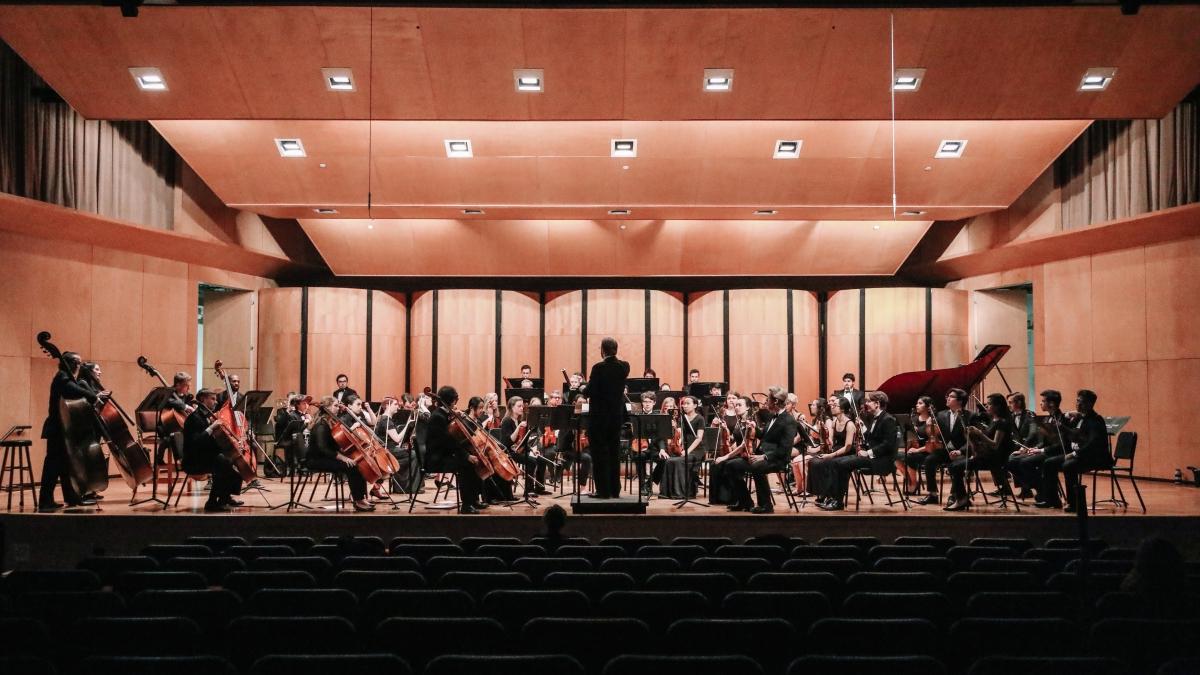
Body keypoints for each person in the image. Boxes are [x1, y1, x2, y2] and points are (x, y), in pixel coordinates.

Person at [38, 351, 101, 511]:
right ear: (72, 364)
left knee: (65, 466)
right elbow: (72, 389)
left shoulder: (65, 377)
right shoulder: (62, 378)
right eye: (78, 363)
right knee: (52, 466)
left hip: (63, 428)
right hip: (57, 428)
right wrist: (92, 395)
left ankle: (71, 498)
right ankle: (45, 502)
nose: (80, 366)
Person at [815, 391, 898, 511]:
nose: (866, 404)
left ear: (877, 404)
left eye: (869, 401)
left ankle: (838, 502)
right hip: (872, 457)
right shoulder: (874, 418)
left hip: (881, 460)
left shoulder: (888, 419)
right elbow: (871, 438)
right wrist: (863, 429)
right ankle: (832, 498)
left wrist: (868, 452)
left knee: (841, 464)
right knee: (835, 462)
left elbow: (888, 445)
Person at [1037, 389, 1112, 513]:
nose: (1078, 404)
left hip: (1094, 457)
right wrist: (1062, 427)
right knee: (1049, 463)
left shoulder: (1096, 420)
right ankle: (1052, 500)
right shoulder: (1078, 418)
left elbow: (1093, 444)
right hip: (1079, 455)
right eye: (1077, 401)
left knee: (1069, 465)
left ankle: (1073, 503)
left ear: (1090, 404)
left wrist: (1074, 454)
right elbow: (1074, 435)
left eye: (1081, 402)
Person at [724, 387, 797, 514]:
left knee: (757, 467)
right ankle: (745, 502)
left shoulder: (788, 420)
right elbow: (764, 435)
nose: (765, 402)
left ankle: (766, 505)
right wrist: (755, 428)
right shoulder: (772, 417)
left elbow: (785, 448)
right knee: (731, 465)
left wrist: (764, 457)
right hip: (763, 456)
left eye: (768, 399)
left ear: (775, 402)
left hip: (777, 459)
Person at [945, 393, 1014, 512]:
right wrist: (970, 437)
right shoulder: (993, 421)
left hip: (995, 459)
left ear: (997, 406)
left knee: (955, 467)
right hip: (986, 456)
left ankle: (961, 499)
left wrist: (979, 433)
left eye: (989, 404)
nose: (986, 406)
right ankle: (960, 497)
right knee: (954, 465)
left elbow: (995, 444)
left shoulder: (1001, 422)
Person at [425, 385, 486, 514]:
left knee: (475, 460)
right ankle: (466, 505)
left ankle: (474, 500)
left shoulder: (443, 414)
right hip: (436, 458)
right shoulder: (438, 417)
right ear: (452, 401)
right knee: (467, 464)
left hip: (444, 454)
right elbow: (449, 442)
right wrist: (466, 456)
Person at [581, 337, 630, 499]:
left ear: (603, 350)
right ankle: (615, 490)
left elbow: (590, 391)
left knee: (600, 455)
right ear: (615, 349)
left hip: (599, 419)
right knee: (614, 454)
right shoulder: (624, 367)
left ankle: (603, 491)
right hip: (616, 419)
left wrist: (582, 388)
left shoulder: (598, 368)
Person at [308, 396, 375, 512]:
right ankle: (358, 500)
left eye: (338, 405)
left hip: (328, 457)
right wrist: (343, 458)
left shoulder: (330, 422)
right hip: (316, 459)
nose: (338, 408)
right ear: (327, 407)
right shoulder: (321, 426)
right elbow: (323, 448)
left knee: (357, 463)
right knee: (352, 466)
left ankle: (361, 498)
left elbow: (334, 444)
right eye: (335, 406)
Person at [183, 389, 245, 512]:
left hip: (205, 455)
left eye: (215, 399)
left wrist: (232, 442)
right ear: (202, 399)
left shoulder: (207, 416)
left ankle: (225, 497)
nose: (216, 402)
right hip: (193, 459)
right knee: (223, 462)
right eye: (212, 399)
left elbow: (212, 442)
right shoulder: (194, 418)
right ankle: (211, 502)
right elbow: (197, 442)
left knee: (231, 458)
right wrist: (212, 427)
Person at [1006, 390, 1065, 500]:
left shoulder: (1061, 419)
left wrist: (1037, 449)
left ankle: (1041, 489)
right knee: (1012, 460)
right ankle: (1038, 487)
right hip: (1042, 449)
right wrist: (1036, 448)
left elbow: (1058, 443)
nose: (1040, 403)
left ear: (1051, 403)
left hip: (1053, 452)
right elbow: (1045, 441)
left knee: (1024, 462)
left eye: (1043, 401)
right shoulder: (1048, 418)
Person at [916, 388, 970, 506]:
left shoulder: (969, 416)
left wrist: (960, 451)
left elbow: (971, 441)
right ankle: (932, 494)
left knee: (955, 465)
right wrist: (927, 424)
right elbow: (921, 432)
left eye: (951, 396)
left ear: (960, 401)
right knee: (929, 460)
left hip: (961, 452)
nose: (947, 398)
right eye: (947, 396)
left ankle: (954, 495)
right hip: (945, 450)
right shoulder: (940, 415)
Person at [807, 397, 860, 509]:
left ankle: (832, 496)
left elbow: (848, 446)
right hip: (836, 450)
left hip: (846, 453)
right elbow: (830, 441)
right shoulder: (835, 422)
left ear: (842, 409)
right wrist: (823, 435)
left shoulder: (850, 424)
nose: (832, 406)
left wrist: (831, 455)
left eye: (835, 405)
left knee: (829, 463)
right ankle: (823, 493)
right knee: (814, 462)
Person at [656, 395, 705, 499]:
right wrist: (674, 428)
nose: (685, 406)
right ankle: (668, 493)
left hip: (696, 450)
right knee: (669, 461)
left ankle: (682, 492)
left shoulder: (700, 418)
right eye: (683, 404)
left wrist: (687, 451)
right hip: (684, 448)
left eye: (688, 404)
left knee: (677, 461)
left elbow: (699, 438)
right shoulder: (682, 418)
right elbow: (679, 434)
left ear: (695, 405)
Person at [898, 395, 937, 493]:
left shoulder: (932, 421)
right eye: (917, 403)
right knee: (896, 456)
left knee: (910, 457)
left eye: (920, 403)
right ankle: (911, 480)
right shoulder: (914, 419)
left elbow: (933, 443)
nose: (917, 405)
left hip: (927, 450)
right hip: (915, 448)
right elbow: (911, 438)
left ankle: (914, 484)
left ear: (928, 407)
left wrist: (916, 450)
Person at [274, 394, 312, 475]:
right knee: (298, 441)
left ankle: (307, 465)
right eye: (303, 403)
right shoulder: (292, 415)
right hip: (291, 439)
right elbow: (293, 431)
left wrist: (310, 421)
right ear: (297, 405)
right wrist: (305, 422)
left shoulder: (307, 415)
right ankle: (297, 466)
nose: (306, 405)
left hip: (303, 439)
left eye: (307, 403)